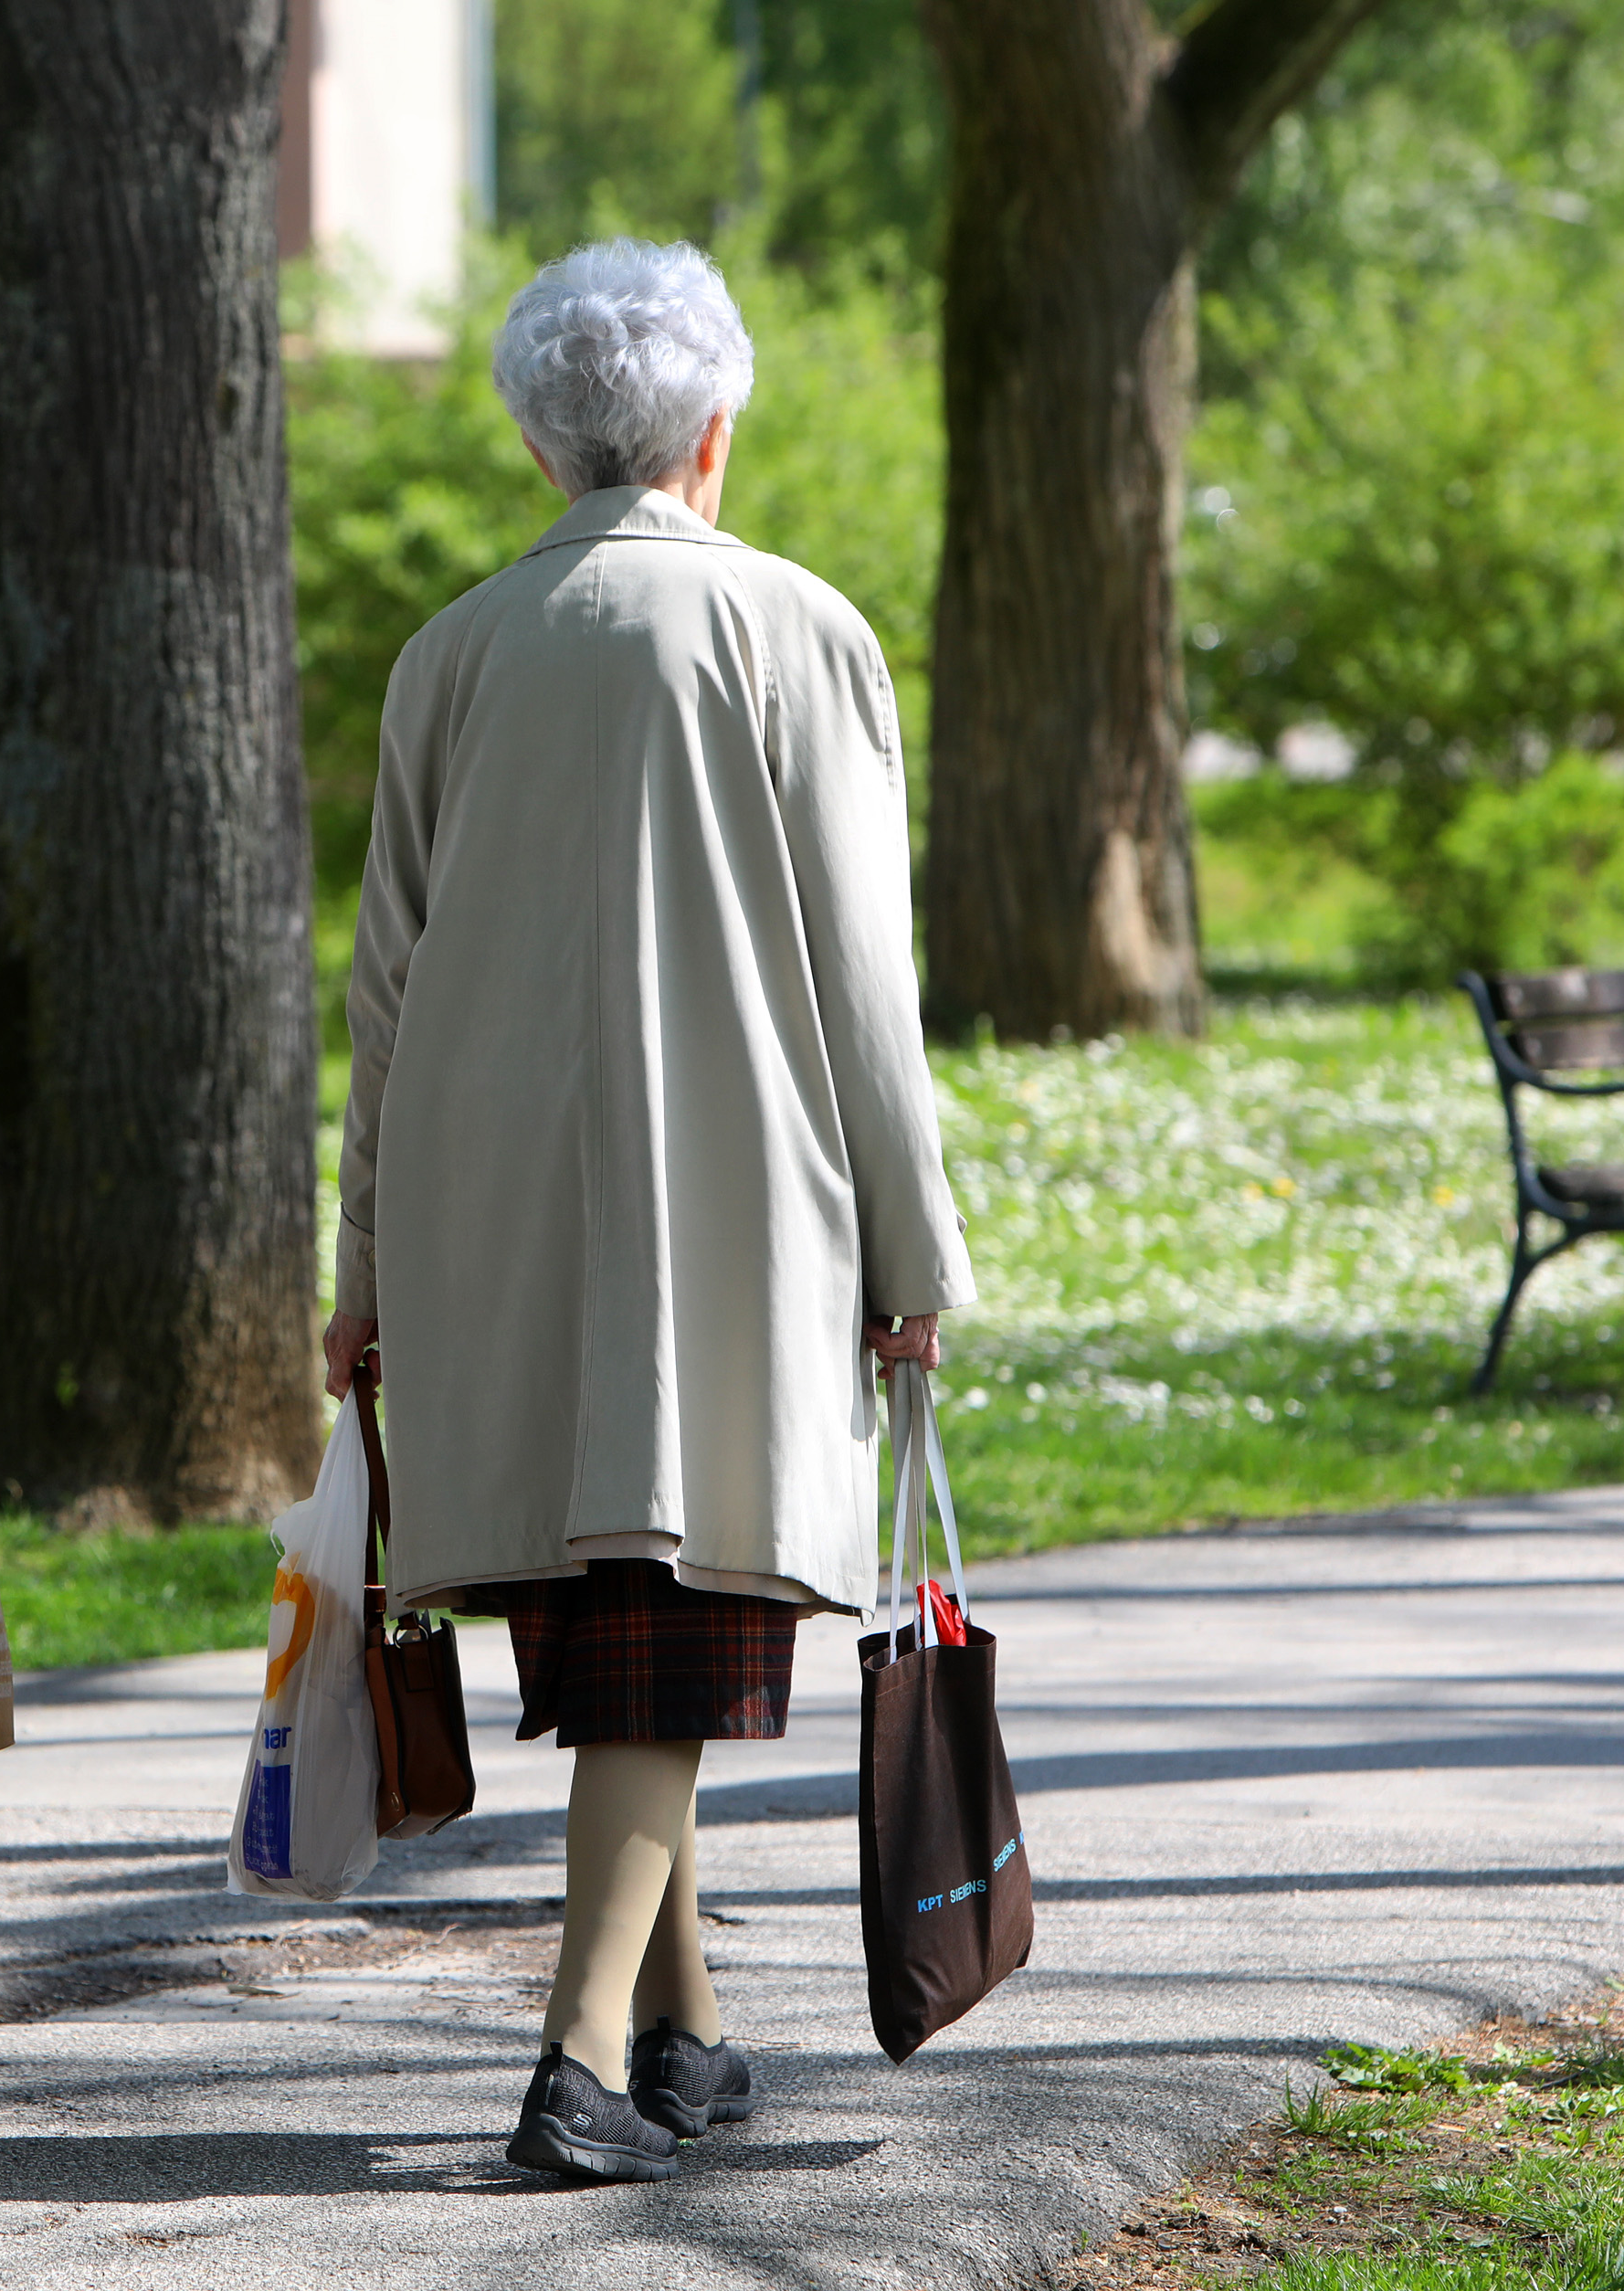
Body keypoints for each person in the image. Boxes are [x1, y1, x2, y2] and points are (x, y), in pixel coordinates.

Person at [322, 238, 975, 2183]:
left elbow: (381, 998)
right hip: (728, 1205)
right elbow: (866, 983)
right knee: (665, 1626)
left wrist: (360, 1272)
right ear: (711, 429)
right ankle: (580, 2058)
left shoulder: (445, 655)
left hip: (482, 1211)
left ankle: (686, 2039)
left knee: (619, 1630)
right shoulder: (796, 632)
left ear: (543, 441)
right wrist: (910, 1251)